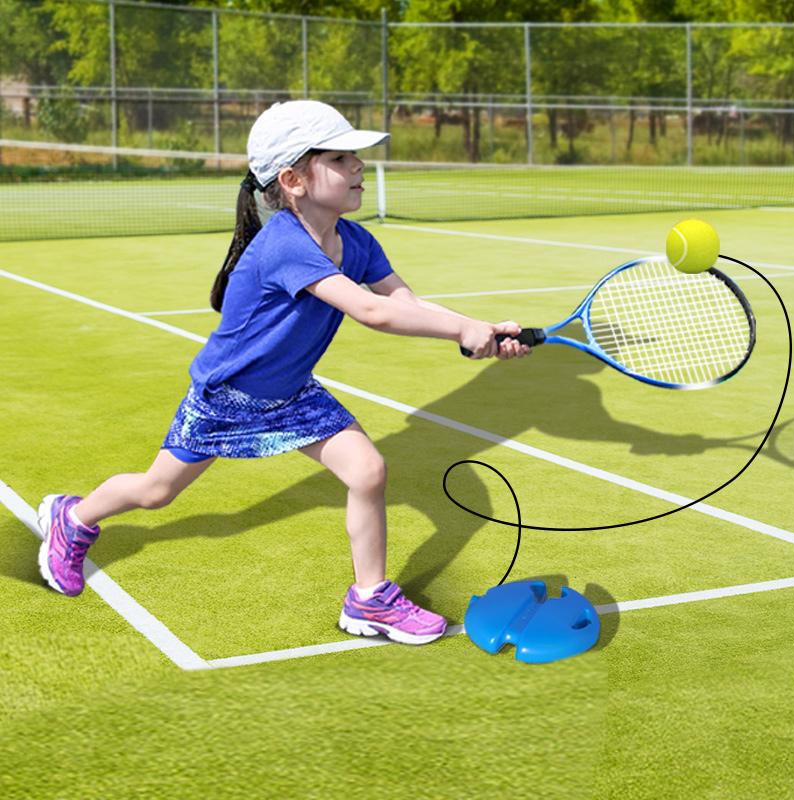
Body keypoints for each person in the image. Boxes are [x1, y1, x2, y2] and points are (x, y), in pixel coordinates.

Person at [37, 100, 530, 646]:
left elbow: (406, 303)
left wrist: (479, 328)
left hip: (292, 394)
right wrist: (463, 331)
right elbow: (371, 311)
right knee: (155, 491)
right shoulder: (285, 245)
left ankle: (369, 599)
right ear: (293, 181)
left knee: (367, 470)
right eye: (339, 158)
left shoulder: (358, 242)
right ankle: (73, 518)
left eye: (355, 157)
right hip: (228, 396)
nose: (358, 166)